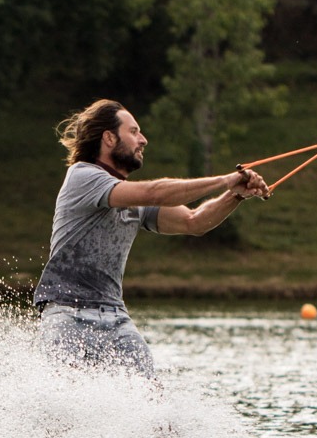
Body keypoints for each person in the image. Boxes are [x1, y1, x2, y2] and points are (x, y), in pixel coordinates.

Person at [33, 99, 270, 378]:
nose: (143, 140)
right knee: (66, 397)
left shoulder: (133, 198)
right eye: (133, 132)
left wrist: (236, 195)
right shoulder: (82, 176)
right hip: (66, 312)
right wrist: (226, 180)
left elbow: (194, 222)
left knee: (150, 398)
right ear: (109, 138)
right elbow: (155, 192)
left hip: (115, 316)